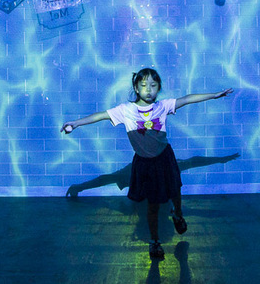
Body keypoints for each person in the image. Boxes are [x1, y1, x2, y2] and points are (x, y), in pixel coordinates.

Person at [61, 67, 233, 259]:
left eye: (153, 85)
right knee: (152, 205)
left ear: (159, 88)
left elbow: (187, 99)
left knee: (175, 191)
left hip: (164, 158)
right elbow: (99, 116)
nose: (149, 89)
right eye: (144, 85)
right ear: (136, 88)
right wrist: (76, 123)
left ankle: (178, 214)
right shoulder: (125, 110)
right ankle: (154, 241)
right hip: (144, 164)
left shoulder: (163, 106)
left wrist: (214, 95)